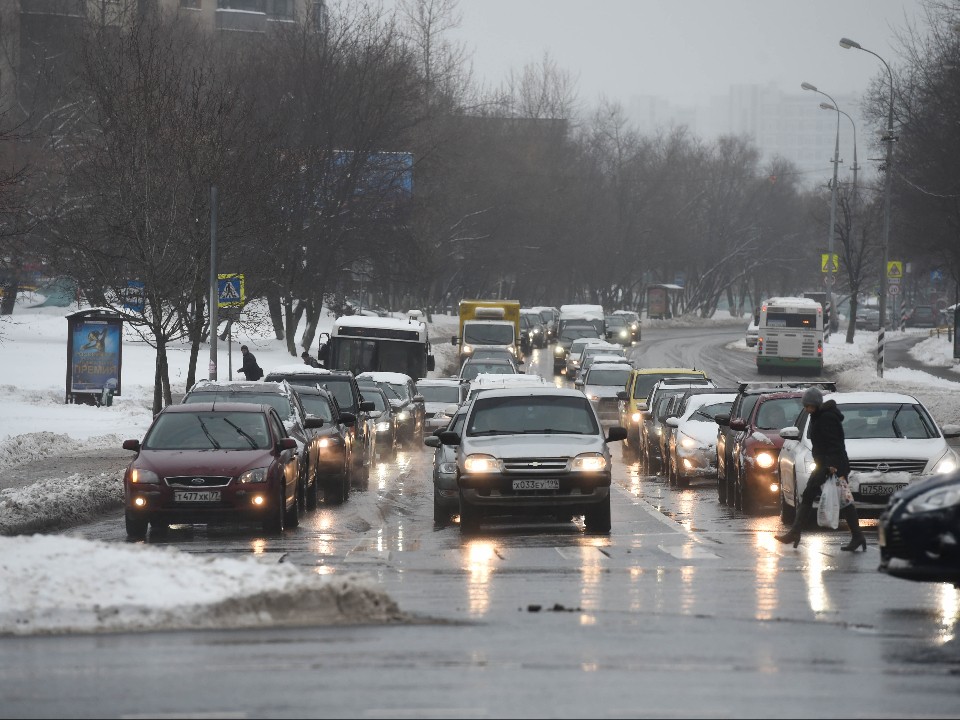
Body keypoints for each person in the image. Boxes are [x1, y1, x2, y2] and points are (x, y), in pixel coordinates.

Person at [775, 386, 866, 551]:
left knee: (844, 500)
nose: (806, 408)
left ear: (816, 404)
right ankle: (795, 532)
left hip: (832, 465)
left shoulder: (827, 418)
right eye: (805, 405)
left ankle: (858, 536)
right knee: (811, 496)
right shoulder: (818, 416)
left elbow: (834, 443)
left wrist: (833, 465)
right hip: (824, 464)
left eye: (809, 405)